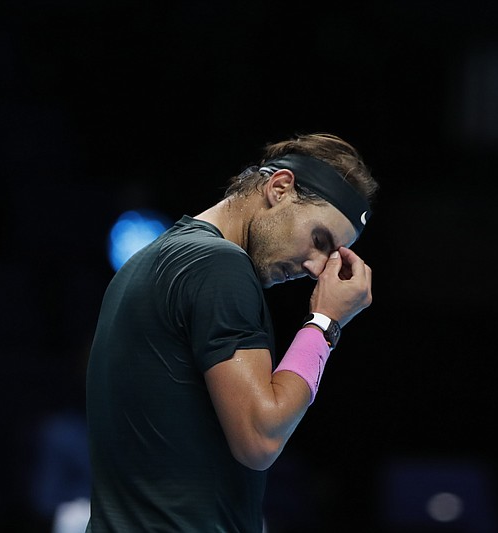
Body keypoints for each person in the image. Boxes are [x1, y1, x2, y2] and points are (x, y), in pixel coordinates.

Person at [84, 132, 379, 532]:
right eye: (318, 240)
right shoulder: (218, 266)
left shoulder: (145, 261)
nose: (314, 268)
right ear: (280, 188)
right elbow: (260, 437)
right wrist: (325, 323)